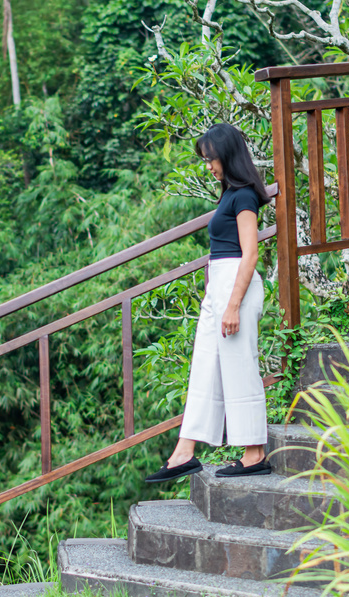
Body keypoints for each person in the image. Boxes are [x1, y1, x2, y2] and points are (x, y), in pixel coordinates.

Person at [145, 123, 273, 483]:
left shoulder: (244, 196)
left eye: (211, 159)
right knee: (204, 366)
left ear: (227, 156)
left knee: (239, 366)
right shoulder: (228, 194)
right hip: (220, 287)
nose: (208, 166)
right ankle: (185, 451)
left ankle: (254, 453)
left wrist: (232, 305)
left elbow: (250, 253)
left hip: (236, 287)